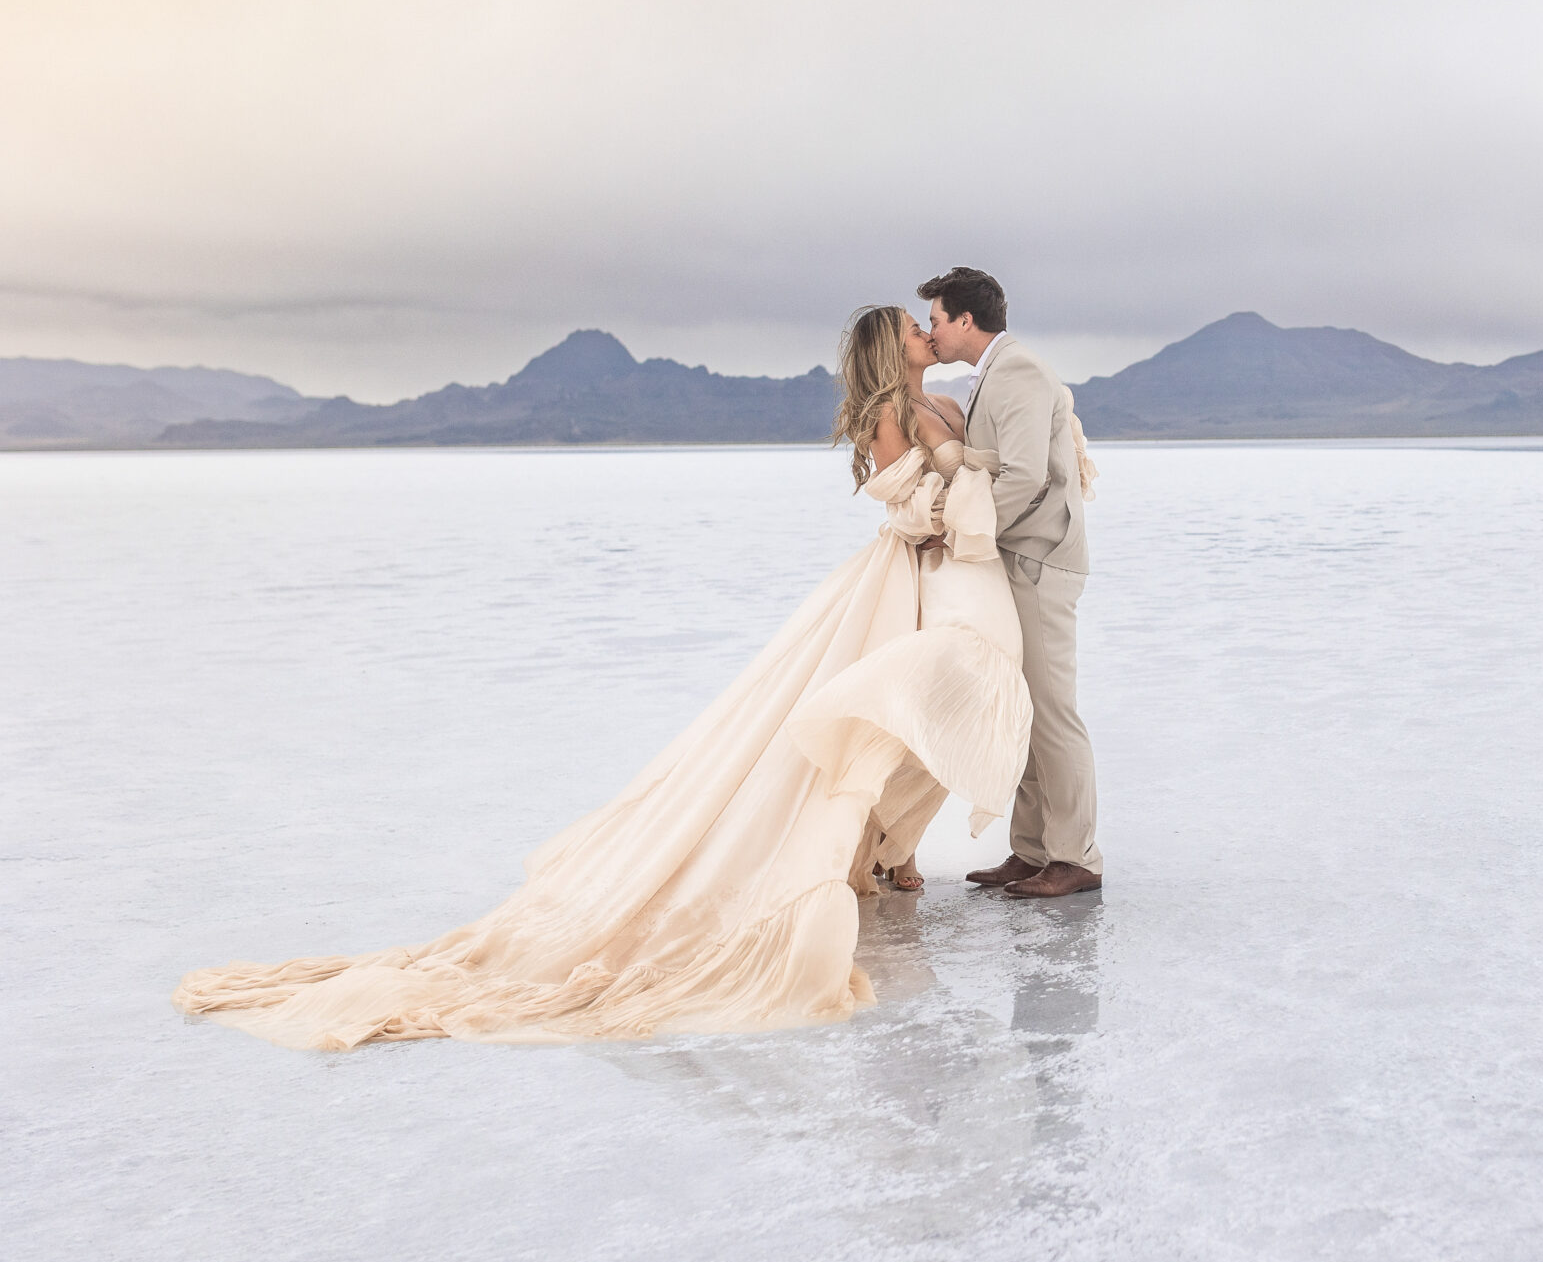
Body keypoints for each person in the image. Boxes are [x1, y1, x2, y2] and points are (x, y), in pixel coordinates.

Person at [172, 303, 1078, 1049]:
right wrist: (956, 499)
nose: (928, 332)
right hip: (908, 573)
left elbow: (986, 469)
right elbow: (911, 506)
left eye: (933, 323)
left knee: (910, 705)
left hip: (942, 581)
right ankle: (876, 850)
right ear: (898, 350)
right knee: (878, 708)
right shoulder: (896, 416)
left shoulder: (944, 405)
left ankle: (885, 849)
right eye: (916, 329)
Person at [918, 267, 1104, 898]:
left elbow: (1025, 478)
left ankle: (1077, 856)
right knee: (1024, 708)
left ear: (966, 321)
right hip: (1018, 556)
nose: (933, 332)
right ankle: (1031, 850)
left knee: (1052, 712)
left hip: (1040, 559)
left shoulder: (1018, 370)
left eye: (938, 320)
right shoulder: (991, 374)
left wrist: (964, 535)